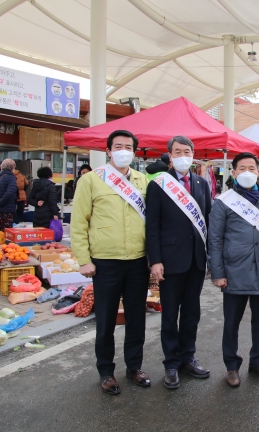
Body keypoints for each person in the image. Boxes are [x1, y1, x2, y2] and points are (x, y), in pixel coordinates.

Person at [71, 130, 149, 395]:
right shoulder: (92, 180)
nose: (123, 150)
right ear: (108, 150)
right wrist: (84, 259)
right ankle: (106, 371)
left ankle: (134, 366)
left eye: (128, 146)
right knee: (105, 320)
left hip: (138, 260)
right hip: (104, 263)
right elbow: (79, 222)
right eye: (118, 146)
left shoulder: (142, 181)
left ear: (135, 152)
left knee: (137, 317)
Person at [147, 136, 212, 390]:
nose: (183, 155)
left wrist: (209, 257)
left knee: (192, 314)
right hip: (170, 261)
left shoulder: (202, 184)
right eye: (177, 152)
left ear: (193, 154)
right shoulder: (158, 184)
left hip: (196, 261)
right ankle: (171, 364)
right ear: (170, 156)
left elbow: (206, 221)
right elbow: (152, 226)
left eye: (187, 151)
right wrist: (156, 261)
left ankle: (188, 357)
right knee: (170, 315)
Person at [208, 152, 259, 387]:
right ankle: (232, 366)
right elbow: (214, 240)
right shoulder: (223, 201)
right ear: (234, 172)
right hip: (234, 270)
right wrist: (217, 273)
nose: (247, 172)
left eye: (252, 168)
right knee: (231, 323)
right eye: (242, 168)